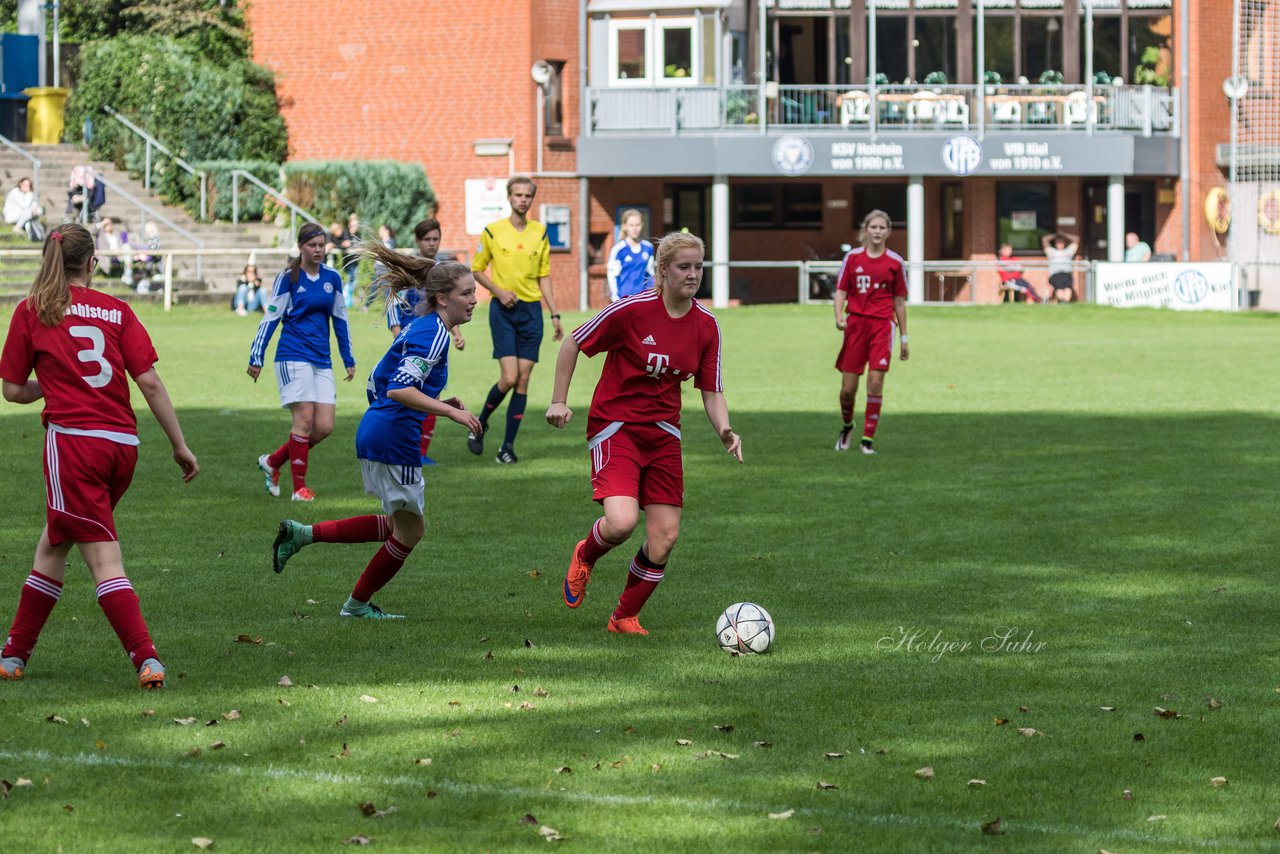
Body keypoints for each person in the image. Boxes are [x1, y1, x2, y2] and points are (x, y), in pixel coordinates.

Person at [0, 223, 199, 688]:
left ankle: (147, 658)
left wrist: (48, 385)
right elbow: (148, 381)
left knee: (104, 559)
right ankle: (13, 654)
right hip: (122, 447)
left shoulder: (34, 310)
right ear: (92, 262)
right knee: (56, 541)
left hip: (74, 445)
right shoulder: (117, 310)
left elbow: (11, 390)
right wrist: (179, 443)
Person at [546, 231, 742, 636]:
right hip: (616, 426)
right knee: (621, 523)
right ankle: (585, 553)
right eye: (683, 267)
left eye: (698, 267)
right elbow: (573, 344)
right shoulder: (631, 310)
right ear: (663, 270)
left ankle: (623, 618)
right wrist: (558, 400)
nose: (692, 274)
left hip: (664, 433)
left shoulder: (707, 325)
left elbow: (711, 389)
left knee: (665, 536)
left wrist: (724, 429)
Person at [271, 250, 481, 620]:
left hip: (380, 429)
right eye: (466, 293)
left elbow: (379, 381)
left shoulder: (423, 325)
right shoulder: (434, 334)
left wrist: (437, 398)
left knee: (399, 525)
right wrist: (450, 411)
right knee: (411, 530)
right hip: (393, 436)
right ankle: (356, 605)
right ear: (443, 298)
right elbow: (399, 389)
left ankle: (302, 534)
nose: (474, 300)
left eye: (474, 292)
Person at [248, 222, 356, 502]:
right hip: (292, 355)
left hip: (322, 359)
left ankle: (273, 462)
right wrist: (256, 356)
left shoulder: (333, 277)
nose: (318, 250)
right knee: (304, 420)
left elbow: (340, 320)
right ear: (301, 247)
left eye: (321, 245)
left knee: (324, 427)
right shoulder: (289, 278)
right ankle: (299, 490)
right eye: (313, 245)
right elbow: (271, 317)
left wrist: (348, 357)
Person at [469, 176, 563, 464]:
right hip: (503, 312)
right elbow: (476, 269)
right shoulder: (493, 231)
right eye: (518, 195)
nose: (522, 199)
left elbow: (544, 276)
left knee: (523, 380)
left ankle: (506, 448)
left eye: (527, 195)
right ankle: (480, 423)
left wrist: (554, 313)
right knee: (509, 378)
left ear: (531, 199)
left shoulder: (540, 233)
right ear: (509, 198)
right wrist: (497, 290)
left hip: (532, 312)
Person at [384, 218, 465, 465]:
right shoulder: (410, 272)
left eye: (435, 239)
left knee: (433, 391)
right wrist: (399, 337)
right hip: (413, 344)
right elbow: (392, 307)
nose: (432, 244)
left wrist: (457, 332)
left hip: (436, 342)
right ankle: (405, 446)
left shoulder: (442, 271)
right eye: (427, 239)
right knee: (408, 391)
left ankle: (421, 452)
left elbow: (449, 304)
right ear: (418, 241)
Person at [833, 210, 909, 455]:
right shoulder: (853, 258)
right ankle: (847, 426)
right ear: (866, 230)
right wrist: (839, 316)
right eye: (873, 227)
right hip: (856, 326)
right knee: (848, 389)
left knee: (875, 383)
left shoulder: (895, 262)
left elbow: (899, 302)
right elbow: (841, 292)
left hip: (882, 326)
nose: (877, 231)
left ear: (888, 231)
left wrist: (905, 338)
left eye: (882, 227)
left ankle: (867, 440)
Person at [606, 209, 655, 302]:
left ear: (642, 225)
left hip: (642, 299)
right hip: (623, 300)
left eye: (637, 225)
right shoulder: (618, 250)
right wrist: (616, 298)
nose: (635, 229)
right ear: (625, 226)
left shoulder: (648, 248)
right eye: (631, 225)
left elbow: (650, 274)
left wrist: (651, 294)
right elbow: (612, 276)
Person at [1041, 231, 1079, 303]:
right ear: (1055, 244)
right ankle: (1062, 301)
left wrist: (1064, 234)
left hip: (1066, 274)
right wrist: (1056, 235)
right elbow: (1044, 239)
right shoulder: (1051, 252)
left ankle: (1066, 302)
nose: (1060, 244)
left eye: (1061, 242)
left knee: (1068, 288)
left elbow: (1076, 239)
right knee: (1059, 288)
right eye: (1058, 242)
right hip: (1056, 274)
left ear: (1064, 244)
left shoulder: (1068, 251)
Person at [4, 177, 45, 241]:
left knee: (39, 210)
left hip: (23, 214)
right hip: (12, 215)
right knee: (30, 212)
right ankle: (17, 227)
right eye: (24, 184)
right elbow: (25, 206)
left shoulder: (27, 194)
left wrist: (34, 208)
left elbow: (34, 205)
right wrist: (29, 193)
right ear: (20, 184)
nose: (26, 186)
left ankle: (33, 231)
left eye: (28, 185)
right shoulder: (14, 192)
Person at [95, 218, 132, 284]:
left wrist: (118, 250)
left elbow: (121, 244)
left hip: (118, 253)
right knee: (126, 251)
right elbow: (91, 230)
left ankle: (128, 272)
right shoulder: (101, 233)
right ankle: (128, 272)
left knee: (126, 246)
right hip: (106, 253)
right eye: (107, 224)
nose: (109, 226)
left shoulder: (116, 234)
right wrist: (102, 223)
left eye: (110, 224)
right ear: (104, 226)